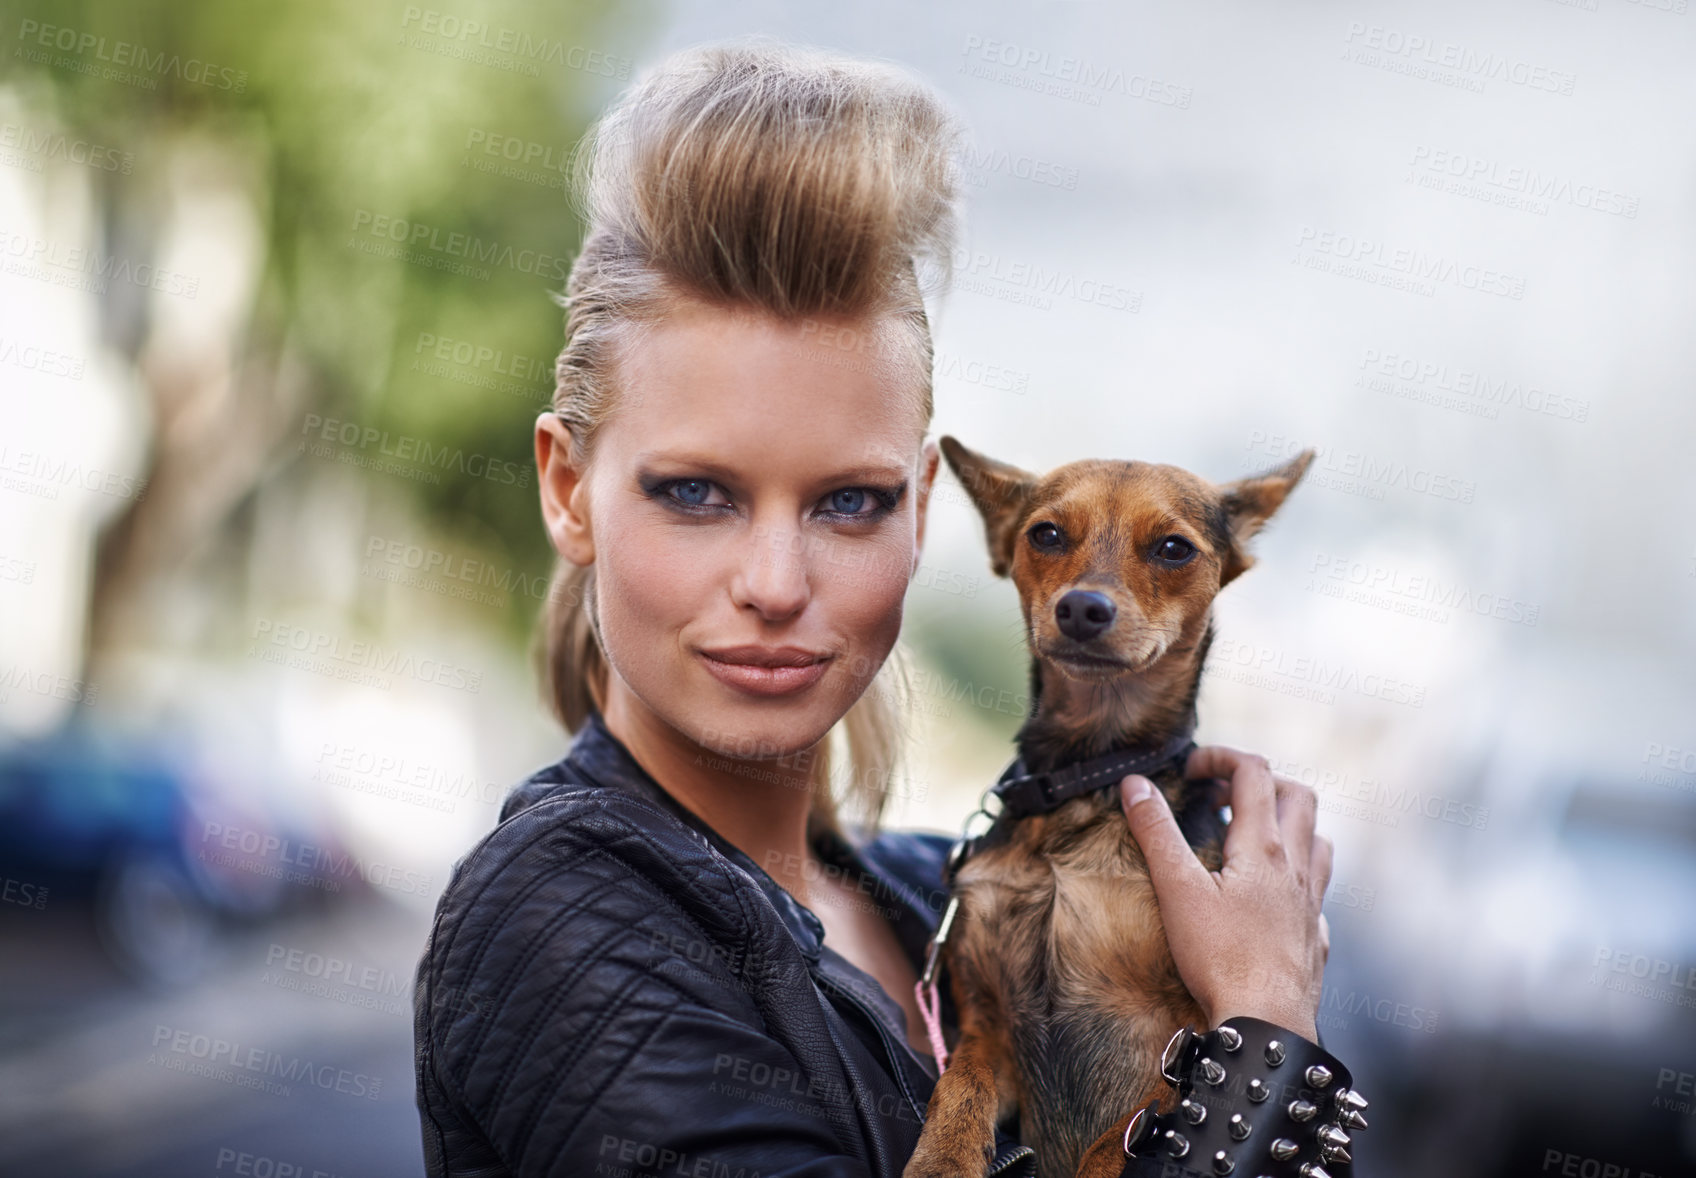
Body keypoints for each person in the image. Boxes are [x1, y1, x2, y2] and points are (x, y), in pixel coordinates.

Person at [413, 38, 1359, 1178]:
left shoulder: (938, 893)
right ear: (570, 490)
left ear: (919, 511)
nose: (774, 581)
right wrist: (1262, 1036)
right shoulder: (558, 918)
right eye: (696, 493)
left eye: (847, 501)